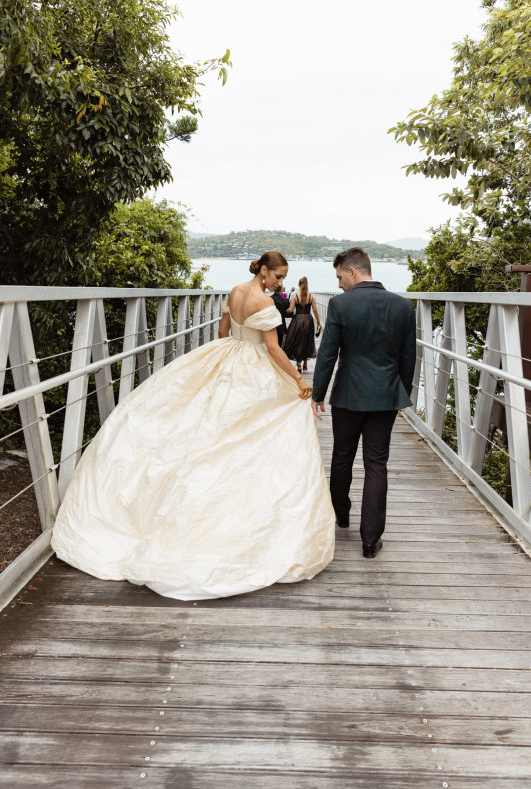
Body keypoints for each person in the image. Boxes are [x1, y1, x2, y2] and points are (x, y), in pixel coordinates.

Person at [51, 251, 335, 600]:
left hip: (227, 355)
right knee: (247, 433)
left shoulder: (234, 291)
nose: (281, 283)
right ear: (264, 271)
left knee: (207, 421)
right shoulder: (266, 302)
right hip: (255, 363)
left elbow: (222, 332)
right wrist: (298, 380)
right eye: (278, 276)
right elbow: (274, 350)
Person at [311, 247, 416, 559]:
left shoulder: (341, 305)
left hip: (347, 395)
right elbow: (407, 357)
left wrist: (318, 393)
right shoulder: (403, 306)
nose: (340, 284)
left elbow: (328, 353)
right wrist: (403, 394)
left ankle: (341, 516)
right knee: (376, 465)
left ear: (352, 272)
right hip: (386, 396)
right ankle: (370, 541)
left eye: (340, 276)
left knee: (342, 457)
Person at [283, 276, 322, 373]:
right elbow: (315, 310)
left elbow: (290, 310)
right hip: (308, 319)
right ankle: (305, 363)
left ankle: (299, 365)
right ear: (307, 285)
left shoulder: (294, 296)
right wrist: (319, 322)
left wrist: (283, 309)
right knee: (307, 340)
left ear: (298, 285)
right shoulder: (311, 296)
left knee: (297, 340)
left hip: (298, 320)